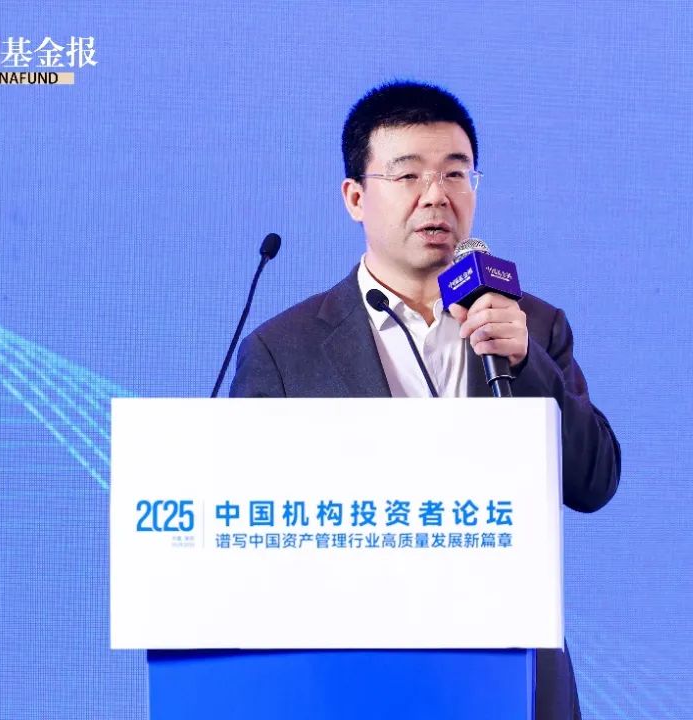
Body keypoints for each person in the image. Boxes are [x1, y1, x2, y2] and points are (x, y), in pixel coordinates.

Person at [230, 80, 621, 720]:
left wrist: (528, 363)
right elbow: (247, 531)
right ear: (356, 197)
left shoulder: (531, 325)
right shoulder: (284, 351)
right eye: (408, 174)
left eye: (455, 174)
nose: (436, 195)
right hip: (351, 677)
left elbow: (593, 482)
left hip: (512, 672)